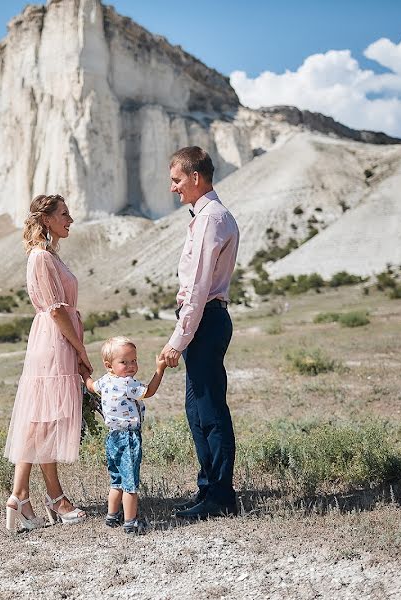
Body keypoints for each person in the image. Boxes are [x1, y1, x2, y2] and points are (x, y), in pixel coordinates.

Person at [159, 146, 241, 519]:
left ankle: (221, 497)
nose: (174, 188)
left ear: (195, 177)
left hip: (205, 320)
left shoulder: (211, 219)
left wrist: (178, 340)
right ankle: (208, 488)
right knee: (196, 408)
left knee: (209, 410)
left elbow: (196, 289)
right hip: (204, 319)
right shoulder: (205, 217)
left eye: (177, 180)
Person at [3, 194, 92, 532]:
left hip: (55, 338)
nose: (70, 220)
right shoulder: (41, 257)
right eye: (64, 214)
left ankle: (25, 497)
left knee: (42, 420)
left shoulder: (48, 255)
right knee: (43, 420)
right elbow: (55, 309)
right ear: (48, 220)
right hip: (54, 339)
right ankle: (43, 497)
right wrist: (81, 350)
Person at [83, 336, 166, 535]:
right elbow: (149, 392)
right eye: (124, 362)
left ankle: (112, 516)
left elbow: (91, 386)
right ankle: (131, 522)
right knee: (130, 483)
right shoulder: (128, 383)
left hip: (112, 438)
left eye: (133, 361)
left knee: (117, 480)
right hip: (128, 438)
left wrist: (83, 372)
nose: (130, 366)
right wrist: (159, 370)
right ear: (109, 365)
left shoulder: (104, 381)